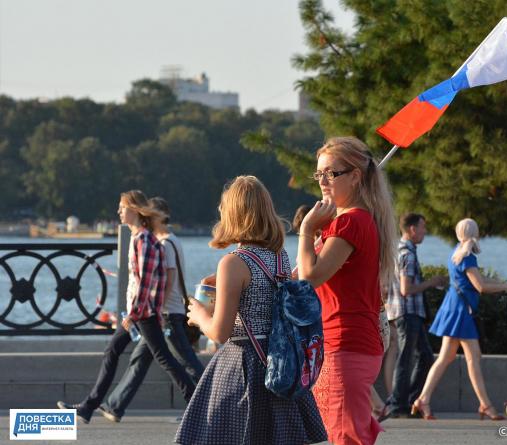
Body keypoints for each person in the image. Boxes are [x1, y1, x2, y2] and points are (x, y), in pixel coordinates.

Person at [175, 176, 326, 445]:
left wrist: (199, 316)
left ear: (233, 214)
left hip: (244, 363)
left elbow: (220, 332)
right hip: (279, 360)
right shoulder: (280, 255)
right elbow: (265, 293)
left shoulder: (233, 262)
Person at [57, 190, 195, 423]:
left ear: (135, 209)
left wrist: (132, 314)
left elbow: (147, 283)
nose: (119, 211)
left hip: (143, 313)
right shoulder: (140, 238)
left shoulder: (144, 240)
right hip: (142, 312)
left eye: (122, 207)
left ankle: (195, 403)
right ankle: (88, 407)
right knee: (114, 352)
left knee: (165, 359)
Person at [298, 136, 397, 445]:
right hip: (354, 343)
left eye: (332, 173)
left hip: (344, 345)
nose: (323, 181)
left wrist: (306, 229)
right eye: (319, 174)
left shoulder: (349, 223)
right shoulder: (360, 220)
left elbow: (310, 277)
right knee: (350, 434)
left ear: (355, 176)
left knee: (345, 437)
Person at [93, 197, 204, 422]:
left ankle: (206, 405)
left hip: (165, 313)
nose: (146, 217)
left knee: (185, 361)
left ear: (161, 216)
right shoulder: (168, 241)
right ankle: (114, 406)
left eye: (150, 214)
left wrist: (157, 308)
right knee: (141, 359)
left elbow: (169, 277)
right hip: (158, 312)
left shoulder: (165, 243)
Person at [413, 218, 507, 420]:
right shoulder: (468, 258)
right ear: (476, 234)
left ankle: (423, 400)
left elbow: (478, 282)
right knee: (473, 358)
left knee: (446, 358)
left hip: (453, 308)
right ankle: (485, 405)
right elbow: (481, 287)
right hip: (461, 311)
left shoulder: (457, 252)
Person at [384, 213, 446, 419]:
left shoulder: (397, 251)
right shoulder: (408, 254)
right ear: (412, 229)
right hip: (408, 312)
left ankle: (408, 401)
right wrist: (432, 282)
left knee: (424, 356)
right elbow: (406, 289)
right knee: (407, 358)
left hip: (403, 312)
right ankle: (398, 404)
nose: (424, 232)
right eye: (422, 227)